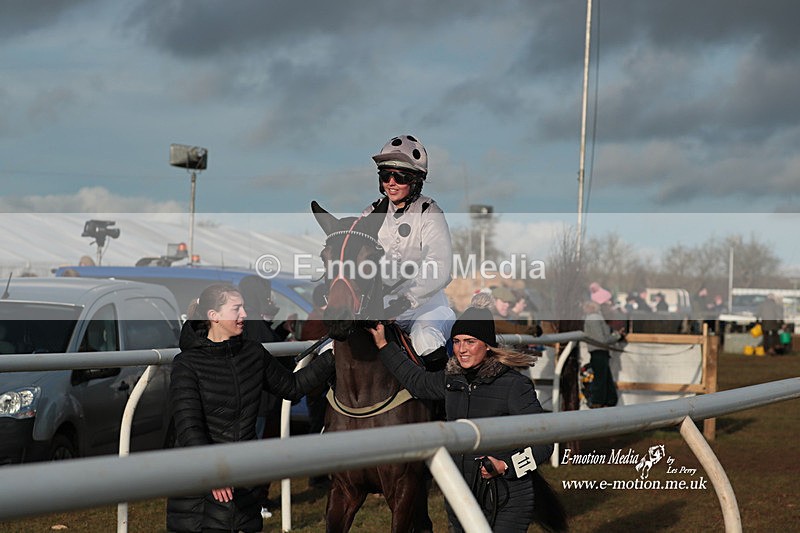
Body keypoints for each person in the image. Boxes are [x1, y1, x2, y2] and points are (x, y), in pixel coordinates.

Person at [368, 307, 558, 532]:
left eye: (470, 342)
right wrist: (384, 345)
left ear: (487, 345)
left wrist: (506, 465)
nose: (462, 350)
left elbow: (544, 443)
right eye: (457, 342)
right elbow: (417, 381)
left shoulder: (515, 386)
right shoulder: (451, 378)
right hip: (460, 494)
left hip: (509, 498)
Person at [166, 283, 334, 533]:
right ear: (214, 316)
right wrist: (213, 471)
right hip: (200, 488)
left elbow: (293, 386)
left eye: (244, 307)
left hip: (244, 482)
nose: (245, 314)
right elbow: (189, 427)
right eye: (237, 308)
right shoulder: (186, 365)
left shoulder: (253, 352)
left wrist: (333, 354)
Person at [361, 134, 455, 368]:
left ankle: (443, 401)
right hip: (381, 305)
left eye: (400, 177)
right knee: (334, 346)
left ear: (415, 181)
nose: (391, 182)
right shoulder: (370, 213)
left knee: (426, 341)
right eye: (386, 176)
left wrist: (405, 301)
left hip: (425, 307)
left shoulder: (430, 212)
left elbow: (440, 267)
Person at [296, 283, 331, 488]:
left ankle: (317, 473)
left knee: (319, 427)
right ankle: (315, 474)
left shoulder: (314, 317)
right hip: (319, 386)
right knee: (318, 427)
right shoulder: (320, 320)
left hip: (317, 385)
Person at [582, 300, 625, 408]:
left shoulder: (592, 318)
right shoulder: (595, 318)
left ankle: (609, 400)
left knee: (604, 378)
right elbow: (601, 339)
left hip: (598, 351)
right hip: (599, 351)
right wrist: (617, 336)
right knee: (601, 379)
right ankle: (599, 401)